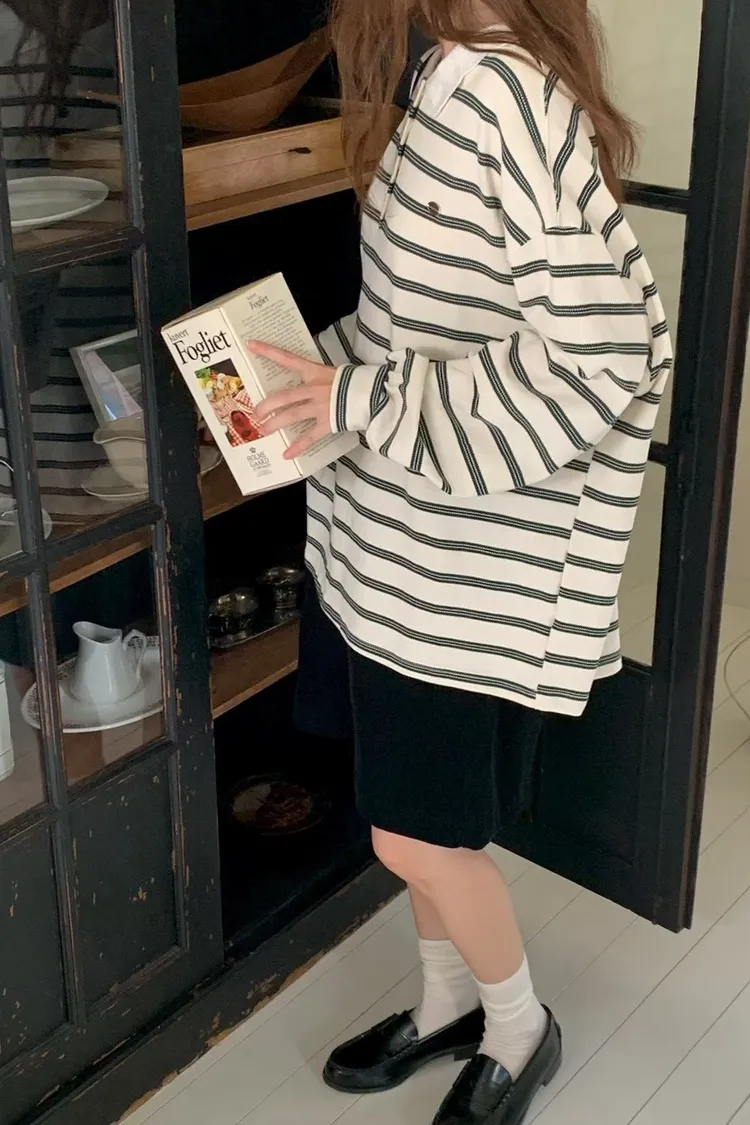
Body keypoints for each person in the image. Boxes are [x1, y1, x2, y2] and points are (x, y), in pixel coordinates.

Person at [248, 0, 672, 1121]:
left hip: (456, 569)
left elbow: (601, 354)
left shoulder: (502, 95)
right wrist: (311, 381)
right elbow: (418, 323)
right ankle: (447, 1005)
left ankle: (519, 1028)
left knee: (413, 831)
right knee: (412, 820)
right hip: (399, 547)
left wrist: (355, 398)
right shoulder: (454, 72)